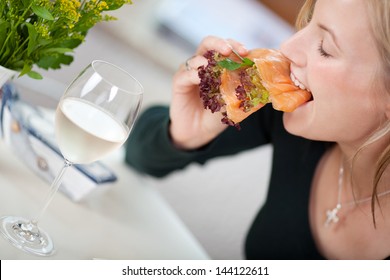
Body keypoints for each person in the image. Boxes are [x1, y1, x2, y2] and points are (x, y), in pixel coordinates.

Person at [125, 0, 390, 259]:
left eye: (325, 48)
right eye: (309, 21)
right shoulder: (292, 107)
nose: (288, 46)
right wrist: (186, 134)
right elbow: (139, 155)